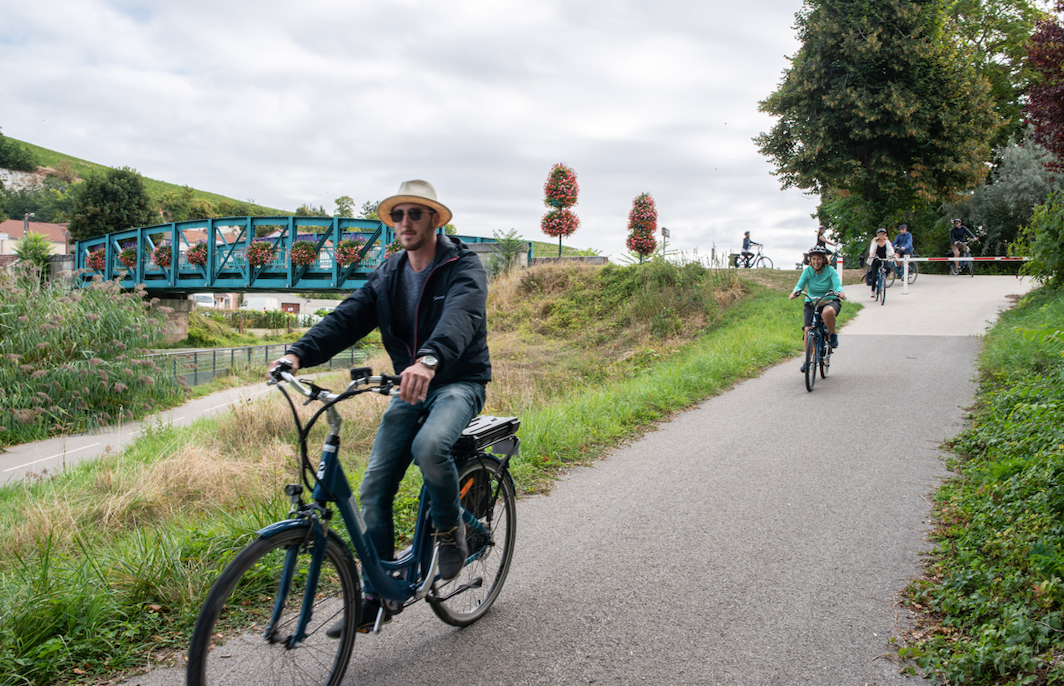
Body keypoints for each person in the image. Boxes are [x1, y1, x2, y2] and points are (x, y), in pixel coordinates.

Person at [271, 179, 491, 631]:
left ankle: (452, 532)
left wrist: (430, 359)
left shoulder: (462, 264)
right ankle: (377, 592)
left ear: (435, 219)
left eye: (414, 214)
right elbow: (348, 316)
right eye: (397, 215)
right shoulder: (388, 272)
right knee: (373, 487)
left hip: (456, 380)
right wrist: (297, 352)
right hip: (408, 385)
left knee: (430, 448)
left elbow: (463, 314)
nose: (404, 223)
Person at [789, 245, 846, 372]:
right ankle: (808, 360)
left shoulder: (830, 270)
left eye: (819, 259)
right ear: (810, 259)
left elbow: (837, 284)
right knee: (808, 330)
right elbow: (800, 284)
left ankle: (832, 335)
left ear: (823, 259)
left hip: (829, 300)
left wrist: (840, 292)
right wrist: (795, 292)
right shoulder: (808, 271)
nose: (816, 261)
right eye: (813, 259)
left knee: (827, 312)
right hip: (812, 302)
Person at [866, 228, 897, 297]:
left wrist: (893, 255)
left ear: (885, 235)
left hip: (884, 259)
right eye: (880, 234)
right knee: (874, 276)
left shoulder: (887, 242)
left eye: (883, 234)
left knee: (888, 267)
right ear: (878, 235)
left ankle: (883, 278)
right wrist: (871, 255)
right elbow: (872, 249)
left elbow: (890, 249)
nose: (881, 236)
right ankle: (873, 291)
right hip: (876, 259)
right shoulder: (875, 242)